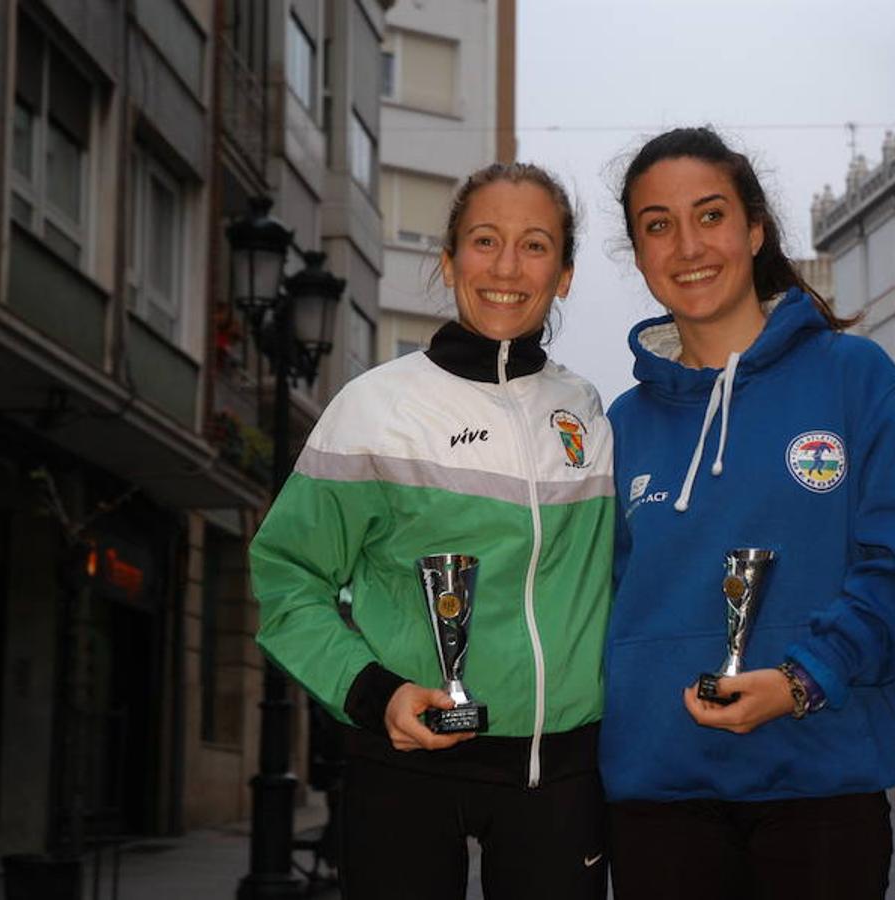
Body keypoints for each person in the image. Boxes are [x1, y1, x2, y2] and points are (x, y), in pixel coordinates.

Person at [601, 126, 895, 899]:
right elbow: (593, 606)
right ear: (637, 253)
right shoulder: (619, 425)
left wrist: (801, 681)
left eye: (711, 215)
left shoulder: (854, 378)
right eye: (657, 225)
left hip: (820, 779)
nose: (687, 244)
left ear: (755, 229)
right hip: (659, 798)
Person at [249, 163, 613, 900]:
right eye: (485, 240)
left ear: (566, 274)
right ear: (448, 262)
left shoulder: (586, 411)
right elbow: (289, 582)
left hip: (559, 777)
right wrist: (372, 694)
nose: (507, 266)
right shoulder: (374, 407)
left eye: (535, 245)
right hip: (403, 768)